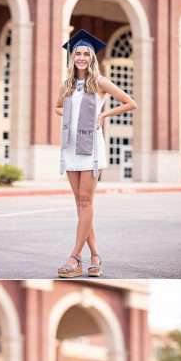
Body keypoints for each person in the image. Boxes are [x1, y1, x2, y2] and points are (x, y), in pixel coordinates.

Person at [54, 30, 136, 278]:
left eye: (85, 54)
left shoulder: (100, 82)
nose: (81, 57)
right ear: (72, 57)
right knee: (80, 204)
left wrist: (103, 115)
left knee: (86, 201)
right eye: (77, 53)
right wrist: (69, 117)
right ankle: (96, 256)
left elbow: (130, 102)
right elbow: (57, 107)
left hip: (91, 148)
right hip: (71, 146)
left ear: (91, 58)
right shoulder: (67, 84)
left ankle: (75, 257)